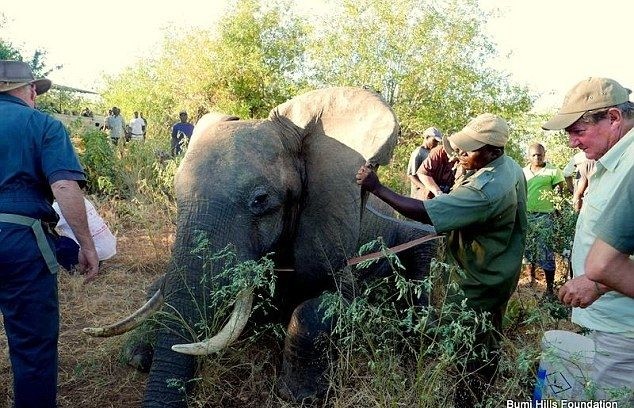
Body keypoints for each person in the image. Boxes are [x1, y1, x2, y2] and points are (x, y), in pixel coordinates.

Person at [357, 113, 527, 407]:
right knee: (487, 335)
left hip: (477, 279)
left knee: (468, 343)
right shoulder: (508, 166)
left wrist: (377, 188)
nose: (460, 153)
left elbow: (425, 212)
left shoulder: (486, 191)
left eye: (470, 149)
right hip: (500, 269)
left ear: (492, 151)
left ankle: (469, 396)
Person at [0, 60, 99, 408]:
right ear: (27, 90)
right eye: (35, 91)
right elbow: (62, 185)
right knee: (32, 347)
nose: (37, 98)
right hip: (20, 242)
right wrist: (87, 244)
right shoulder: (43, 125)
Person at [544, 77, 634, 402]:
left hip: (624, 332)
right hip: (608, 325)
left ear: (613, 118)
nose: (572, 143)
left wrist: (597, 283)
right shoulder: (611, 160)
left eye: (578, 131)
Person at [522, 143, 565, 296]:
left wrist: (559, 212)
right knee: (527, 248)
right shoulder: (523, 172)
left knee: (545, 249)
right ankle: (530, 279)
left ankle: (549, 289)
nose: (537, 158)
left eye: (540, 155)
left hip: (545, 216)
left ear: (544, 154)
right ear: (529, 156)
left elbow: (560, 191)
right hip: (527, 215)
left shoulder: (553, 171)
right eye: (533, 155)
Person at [52, 197, 117, 270]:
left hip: (92, 251)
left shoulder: (56, 208)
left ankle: (74, 269)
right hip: (109, 246)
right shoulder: (81, 199)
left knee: (51, 241)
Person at [406, 126, 442, 199]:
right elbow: (411, 175)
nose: (436, 144)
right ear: (427, 137)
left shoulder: (433, 152)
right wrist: (425, 189)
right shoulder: (418, 152)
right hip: (419, 195)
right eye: (434, 141)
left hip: (431, 192)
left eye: (437, 142)